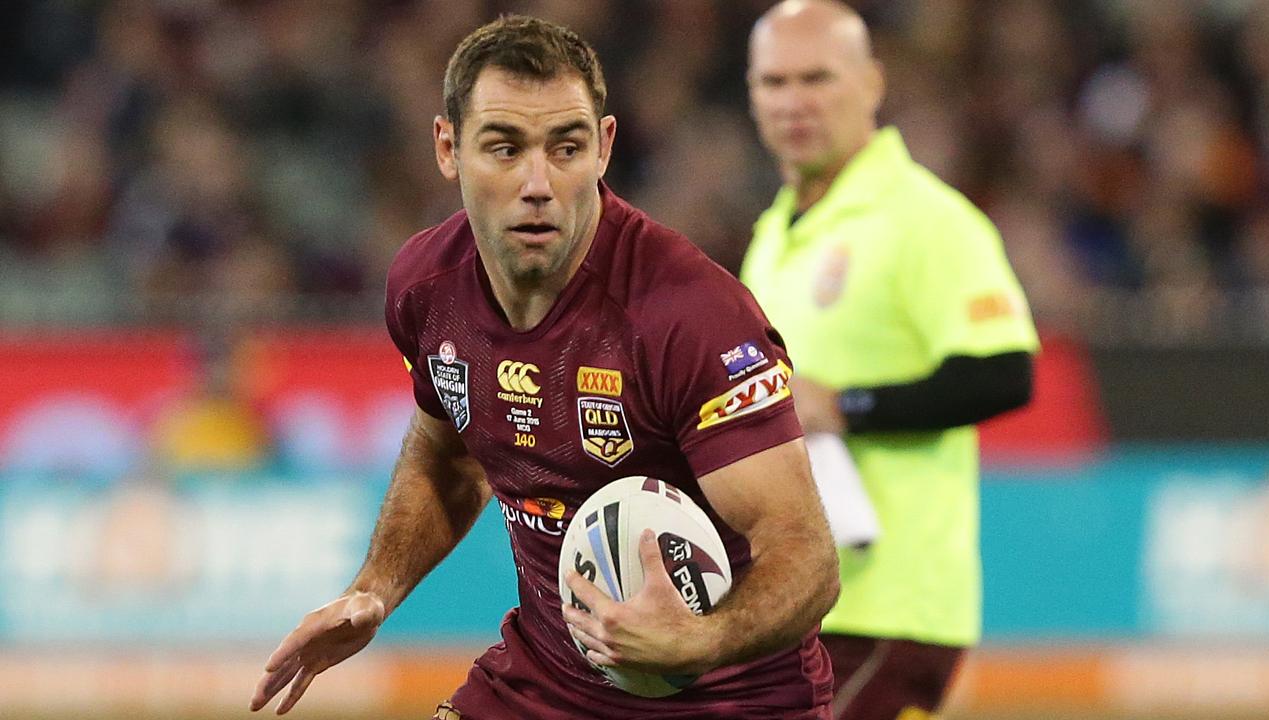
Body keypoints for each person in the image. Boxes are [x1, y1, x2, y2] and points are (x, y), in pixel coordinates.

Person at [250, 14, 840, 720]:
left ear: (605, 147)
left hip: (731, 703)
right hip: (549, 687)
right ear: (448, 147)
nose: (538, 183)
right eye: (504, 148)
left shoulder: (689, 316)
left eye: (566, 147)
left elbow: (805, 555)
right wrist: (374, 590)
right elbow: (447, 457)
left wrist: (698, 642)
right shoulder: (424, 288)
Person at [741, 2, 1040, 719]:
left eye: (817, 78)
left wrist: (848, 405)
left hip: (890, 604)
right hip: (795, 601)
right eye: (774, 83)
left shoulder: (927, 220)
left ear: (872, 83)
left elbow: (1004, 372)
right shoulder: (772, 236)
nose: (794, 102)